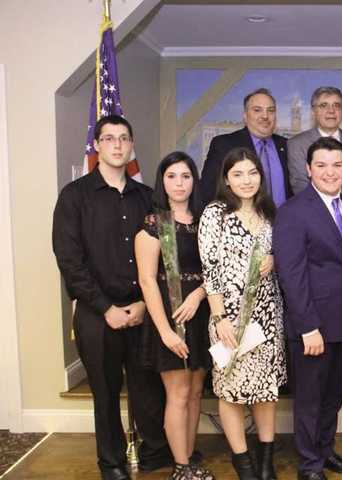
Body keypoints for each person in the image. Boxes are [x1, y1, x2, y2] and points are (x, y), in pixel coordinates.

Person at [52, 114, 170, 480]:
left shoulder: (148, 198)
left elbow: (165, 257)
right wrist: (106, 308)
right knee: (105, 393)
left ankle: (154, 452)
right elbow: (69, 260)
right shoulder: (75, 196)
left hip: (142, 308)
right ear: (97, 146)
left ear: (132, 145)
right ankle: (112, 462)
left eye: (124, 138)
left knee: (148, 388)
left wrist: (140, 306)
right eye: (109, 138)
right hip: (96, 313)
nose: (117, 145)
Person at [274, 137, 342, 480]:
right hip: (312, 327)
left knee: (332, 397)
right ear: (309, 169)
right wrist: (307, 326)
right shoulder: (294, 212)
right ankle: (309, 466)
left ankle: (325, 451)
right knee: (310, 401)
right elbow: (292, 275)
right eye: (321, 165)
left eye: (337, 165)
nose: (330, 172)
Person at [198, 147, 287, 480]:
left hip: (267, 317)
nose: (246, 180)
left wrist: (275, 258)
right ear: (226, 179)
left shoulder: (270, 213)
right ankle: (244, 464)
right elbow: (211, 269)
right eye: (238, 174)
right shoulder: (215, 213)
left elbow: (282, 252)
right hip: (229, 319)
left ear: (260, 177)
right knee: (231, 391)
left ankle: (265, 462)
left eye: (252, 173)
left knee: (265, 391)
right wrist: (220, 318)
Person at [135, 151, 214, 480]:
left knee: (196, 392)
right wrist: (165, 331)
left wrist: (199, 294)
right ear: (162, 181)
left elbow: (219, 270)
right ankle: (181, 468)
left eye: (185, 176)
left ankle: (189, 458)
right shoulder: (154, 224)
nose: (179, 183)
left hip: (202, 315)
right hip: (170, 318)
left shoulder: (206, 220)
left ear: (194, 180)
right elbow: (147, 281)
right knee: (178, 393)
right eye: (171, 176)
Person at [200, 88, 292, 206]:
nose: (265, 116)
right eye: (257, 110)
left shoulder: (287, 145)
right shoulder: (224, 145)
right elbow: (208, 191)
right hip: (242, 222)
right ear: (245, 116)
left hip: (286, 223)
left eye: (271, 110)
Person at [287, 86, 342, 196]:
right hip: (315, 211)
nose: (331, 111)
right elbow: (301, 187)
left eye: (336, 105)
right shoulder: (296, 145)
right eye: (324, 105)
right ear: (314, 111)